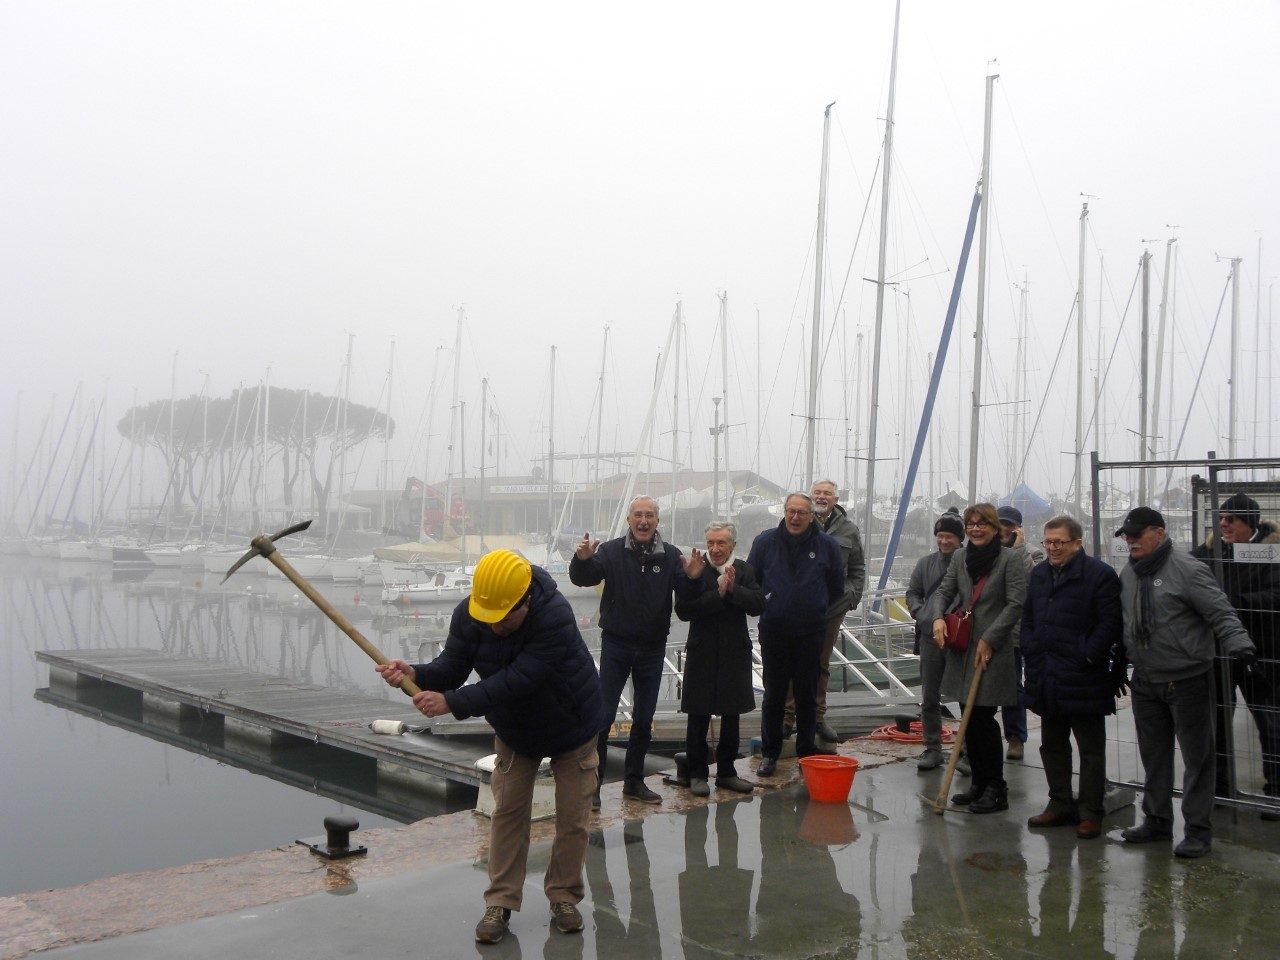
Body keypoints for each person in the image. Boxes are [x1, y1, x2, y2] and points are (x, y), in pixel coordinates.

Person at [375, 549, 604, 945]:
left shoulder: (555, 616)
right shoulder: (473, 611)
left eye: (505, 618)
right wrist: (417, 673)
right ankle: (500, 902)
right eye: (488, 618)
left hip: (573, 724)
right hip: (516, 730)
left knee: (573, 817)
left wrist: (453, 702)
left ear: (526, 601)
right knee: (508, 815)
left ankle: (564, 897)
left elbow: (521, 678)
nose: (494, 626)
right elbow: (452, 666)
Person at [1116, 506, 1257, 858]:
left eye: (1136, 534)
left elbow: (1220, 611)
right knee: (1154, 756)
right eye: (1126, 535)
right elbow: (1125, 621)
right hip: (1146, 680)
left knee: (1198, 759)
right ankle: (1157, 820)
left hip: (1187, 679)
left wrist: (1240, 644)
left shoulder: (1189, 569)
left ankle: (1197, 830)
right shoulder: (1129, 573)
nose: (1130, 540)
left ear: (1159, 533)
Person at [569, 495, 694, 806]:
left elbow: (688, 600)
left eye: (649, 515)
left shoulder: (670, 556)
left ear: (657, 521)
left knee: (643, 717)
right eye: (638, 514)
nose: (644, 520)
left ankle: (634, 782)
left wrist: (693, 578)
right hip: (616, 644)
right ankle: (593, 787)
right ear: (629, 520)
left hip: (653, 648)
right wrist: (582, 559)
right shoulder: (611, 552)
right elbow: (583, 579)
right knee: (603, 716)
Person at [1021, 514, 1123, 839]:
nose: (1052, 548)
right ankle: (1060, 803)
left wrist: (1088, 654)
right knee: (1052, 745)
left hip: (1084, 676)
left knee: (1090, 749)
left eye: (1058, 542)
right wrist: (1030, 647)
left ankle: (1091, 811)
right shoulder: (1038, 575)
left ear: (1077, 543)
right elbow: (1028, 617)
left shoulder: (1100, 576)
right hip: (1047, 673)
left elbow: (1110, 623)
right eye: (1047, 542)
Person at [926, 502, 1027, 814]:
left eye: (983, 523)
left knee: (983, 717)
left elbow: (1015, 603)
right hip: (964, 647)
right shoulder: (960, 556)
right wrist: (937, 618)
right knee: (967, 716)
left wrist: (990, 638)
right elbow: (944, 591)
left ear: (996, 528)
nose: (975, 528)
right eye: (971, 523)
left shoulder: (1010, 559)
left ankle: (996, 787)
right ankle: (979, 784)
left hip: (991, 649)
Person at [1190, 492, 1280, 819]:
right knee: (1216, 724)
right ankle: (1220, 786)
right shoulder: (1205, 554)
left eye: (1232, 519)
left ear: (1250, 523)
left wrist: (1232, 599)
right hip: (1215, 653)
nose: (1223, 524)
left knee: (1271, 724)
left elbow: (1276, 595)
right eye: (1221, 518)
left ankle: (1276, 791)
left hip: (1262, 652)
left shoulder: (1272, 552)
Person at [747, 492, 845, 776]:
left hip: (811, 630)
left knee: (806, 695)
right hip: (774, 629)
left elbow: (836, 585)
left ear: (811, 516)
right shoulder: (765, 541)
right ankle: (770, 754)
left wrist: (815, 604)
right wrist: (770, 598)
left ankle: (805, 752)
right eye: (791, 511)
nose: (795, 517)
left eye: (802, 512)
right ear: (784, 511)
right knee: (774, 695)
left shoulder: (826, 545)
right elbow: (753, 580)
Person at [674, 521, 764, 796]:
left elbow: (758, 603)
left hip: (734, 651)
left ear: (732, 545)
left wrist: (733, 590)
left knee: (731, 714)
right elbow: (684, 610)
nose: (715, 549)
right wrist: (712, 591)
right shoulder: (696, 570)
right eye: (710, 543)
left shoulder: (745, 570)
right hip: (702, 651)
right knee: (697, 715)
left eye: (721, 543)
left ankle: (727, 772)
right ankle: (697, 774)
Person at [783, 479, 866, 743]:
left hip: (833, 608)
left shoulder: (849, 530)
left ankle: (818, 718)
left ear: (836, 499)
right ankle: (787, 718)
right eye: (817, 492)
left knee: (821, 663)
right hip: (800, 606)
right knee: (792, 661)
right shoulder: (800, 524)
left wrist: (852, 596)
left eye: (827, 493)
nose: (821, 497)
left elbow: (857, 568)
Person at [907, 508, 964, 770]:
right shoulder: (925, 563)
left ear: (959, 538)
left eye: (949, 536)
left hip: (961, 639)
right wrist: (923, 615)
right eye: (940, 535)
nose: (944, 541)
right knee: (930, 695)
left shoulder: (967, 562)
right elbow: (913, 593)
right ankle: (932, 748)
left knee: (965, 697)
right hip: (931, 636)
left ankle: (967, 750)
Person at [996, 505, 1043, 761]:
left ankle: (1015, 738)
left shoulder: (1032, 553)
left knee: (1013, 688)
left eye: (1009, 525)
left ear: (1018, 529)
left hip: (1014, 633)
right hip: (986, 631)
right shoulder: (986, 553)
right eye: (1000, 523)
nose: (1004, 529)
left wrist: (1019, 550)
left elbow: (1032, 583)